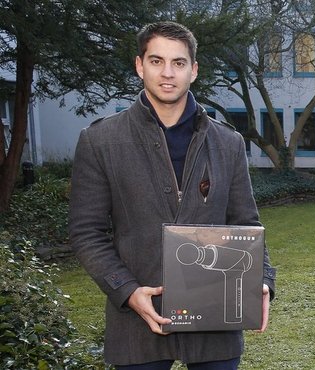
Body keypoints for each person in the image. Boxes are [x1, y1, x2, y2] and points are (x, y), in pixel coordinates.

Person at [68, 21, 276, 369]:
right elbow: (86, 232)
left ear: (193, 70)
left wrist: (263, 279)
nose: (168, 73)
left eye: (179, 63)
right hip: (137, 325)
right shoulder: (100, 141)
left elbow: (245, 223)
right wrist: (128, 291)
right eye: (156, 61)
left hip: (216, 322)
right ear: (139, 65)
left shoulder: (228, 142)